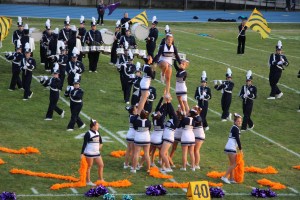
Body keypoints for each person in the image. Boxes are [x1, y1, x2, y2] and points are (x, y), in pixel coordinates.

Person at [154, 33, 182, 100]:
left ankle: (167, 92)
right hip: (161, 62)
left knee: (168, 78)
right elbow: (158, 55)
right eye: (168, 40)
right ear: (166, 40)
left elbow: (177, 56)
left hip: (169, 63)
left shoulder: (174, 47)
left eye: (171, 40)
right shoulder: (162, 47)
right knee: (165, 65)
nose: (169, 41)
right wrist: (155, 63)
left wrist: (180, 63)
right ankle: (162, 74)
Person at [221, 113, 243, 184]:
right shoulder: (235, 128)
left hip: (230, 146)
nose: (239, 122)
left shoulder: (234, 127)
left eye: (240, 121)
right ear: (235, 121)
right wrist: (240, 149)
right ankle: (224, 177)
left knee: (232, 163)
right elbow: (237, 139)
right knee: (234, 164)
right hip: (231, 147)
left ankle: (231, 178)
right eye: (238, 121)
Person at [81, 119, 104, 186]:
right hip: (89, 153)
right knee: (89, 167)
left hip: (96, 153)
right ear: (93, 126)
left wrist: (98, 148)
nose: (98, 126)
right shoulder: (88, 134)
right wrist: (82, 154)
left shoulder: (98, 132)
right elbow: (84, 144)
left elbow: (101, 142)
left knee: (101, 165)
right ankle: (88, 181)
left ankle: (101, 179)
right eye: (97, 125)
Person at [160, 101, 178, 172]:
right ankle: (163, 167)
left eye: (176, 113)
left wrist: (169, 102)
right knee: (165, 153)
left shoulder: (176, 120)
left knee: (162, 153)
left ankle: (168, 167)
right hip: (166, 137)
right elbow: (169, 111)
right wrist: (165, 103)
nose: (174, 113)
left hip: (169, 138)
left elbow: (172, 111)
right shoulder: (171, 119)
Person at [149, 97, 166, 167]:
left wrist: (162, 99)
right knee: (163, 152)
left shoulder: (154, 119)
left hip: (153, 137)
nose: (158, 112)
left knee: (152, 151)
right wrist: (166, 103)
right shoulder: (161, 120)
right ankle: (163, 164)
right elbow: (164, 112)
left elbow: (157, 109)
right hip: (159, 138)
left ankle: (152, 162)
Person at [192, 106, 205, 170]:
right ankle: (194, 162)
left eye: (195, 110)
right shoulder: (194, 117)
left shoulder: (198, 117)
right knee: (193, 150)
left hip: (199, 136)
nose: (193, 110)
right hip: (196, 135)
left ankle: (197, 164)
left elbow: (199, 120)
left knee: (196, 150)